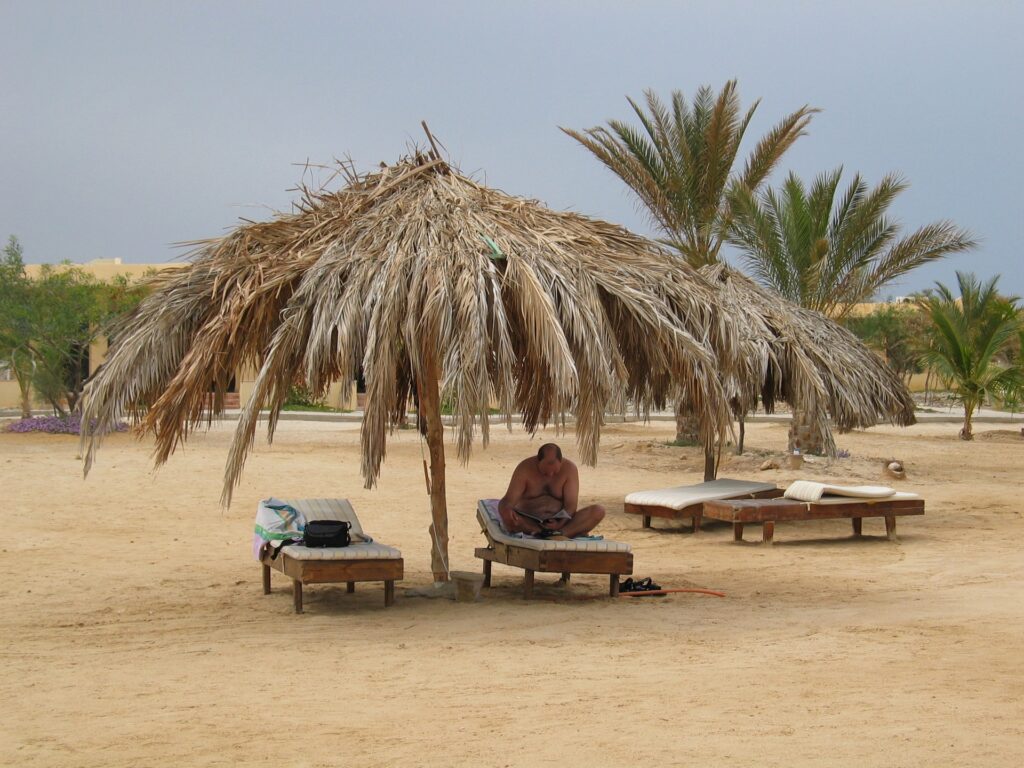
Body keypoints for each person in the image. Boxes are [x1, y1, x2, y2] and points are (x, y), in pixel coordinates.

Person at [498, 443, 605, 539]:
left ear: (561, 461)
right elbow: (508, 501)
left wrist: (560, 523)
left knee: (598, 511)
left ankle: (560, 534)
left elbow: (571, 506)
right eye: (544, 471)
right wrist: (506, 510)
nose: (550, 475)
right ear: (537, 461)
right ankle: (541, 533)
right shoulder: (524, 469)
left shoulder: (570, 469)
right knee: (507, 516)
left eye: (555, 472)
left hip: (561, 523)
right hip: (529, 522)